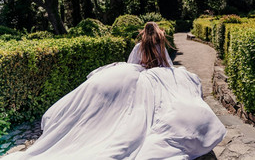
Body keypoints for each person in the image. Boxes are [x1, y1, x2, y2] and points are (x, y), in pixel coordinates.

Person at [2, 22, 226, 160]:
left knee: (126, 111)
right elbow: (167, 65)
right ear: (158, 34)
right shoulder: (159, 46)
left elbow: (131, 63)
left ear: (143, 35)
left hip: (141, 75)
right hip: (158, 78)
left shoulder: (139, 47)